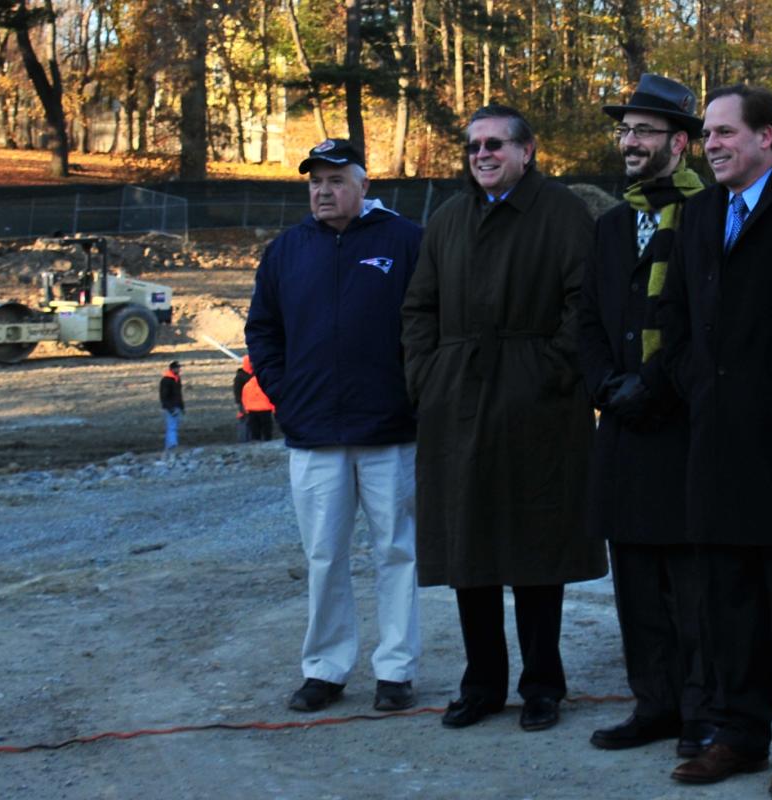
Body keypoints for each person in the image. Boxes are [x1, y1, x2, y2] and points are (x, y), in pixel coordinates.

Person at [658, 85, 772, 796]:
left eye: (726, 133)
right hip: (714, 443)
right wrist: (694, 380)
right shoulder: (700, 213)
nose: (712, 145)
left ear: (768, 136)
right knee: (726, 603)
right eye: (707, 135)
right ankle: (737, 735)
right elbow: (675, 316)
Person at [401, 104, 607, 734]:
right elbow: (419, 307)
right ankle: (481, 682)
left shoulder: (565, 213)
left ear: (527, 150)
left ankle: (543, 683)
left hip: (538, 400)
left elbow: (584, 305)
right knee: (470, 545)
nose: (482, 155)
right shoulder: (449, 220)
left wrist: (548, 372)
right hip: (458, 400)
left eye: (495, 144)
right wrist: (428, 379)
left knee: (536, 547)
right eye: (473, 147)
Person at [244, 138, 423, 714]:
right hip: (313, 430)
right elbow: (263, 330)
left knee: (396, 551)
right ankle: (325, 667)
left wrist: (415, 394)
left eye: (336, 179)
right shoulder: (287, 251)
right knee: (324, 555)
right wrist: (284, 394)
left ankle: (395, 670)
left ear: (365, 185)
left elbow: (430, 325)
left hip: (389, 430)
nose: (323, 190)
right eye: (315, 181)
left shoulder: (405, 241)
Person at [578, 73, 716, 759]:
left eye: (644, 131)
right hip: (625, 429)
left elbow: (705, 323)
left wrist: (655, 385)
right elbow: (586, 318)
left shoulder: (709, 214)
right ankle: (653, 705)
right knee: (634, 582)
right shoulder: (608, 226)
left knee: (692, 585)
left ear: (680, 143)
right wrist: (605, 384)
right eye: (625, 130)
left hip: (684, 424)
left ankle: (701, 712)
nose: (629, 142)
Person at [233, 354, 274, 442]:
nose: (253, 364)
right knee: (249, 423)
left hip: (260, 404)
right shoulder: (241, 376)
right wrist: (241, 403)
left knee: (261, 424)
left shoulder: (257, 373)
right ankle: (245, 440)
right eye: (251, 362)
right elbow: (237, 391)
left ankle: (260, 439)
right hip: (247, 404)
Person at [159, 360, 184, 450]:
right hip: (171, 407)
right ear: (173, 369)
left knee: (173, 426)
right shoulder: (167, 380)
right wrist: (169, 408)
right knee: (172, 426)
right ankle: (172, 445)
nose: (179, 369)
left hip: (175, 406)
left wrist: (181, 406)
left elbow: (179, 394)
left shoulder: (176, 378)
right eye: (178, 368)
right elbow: (164, 396)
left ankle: (170, 445)